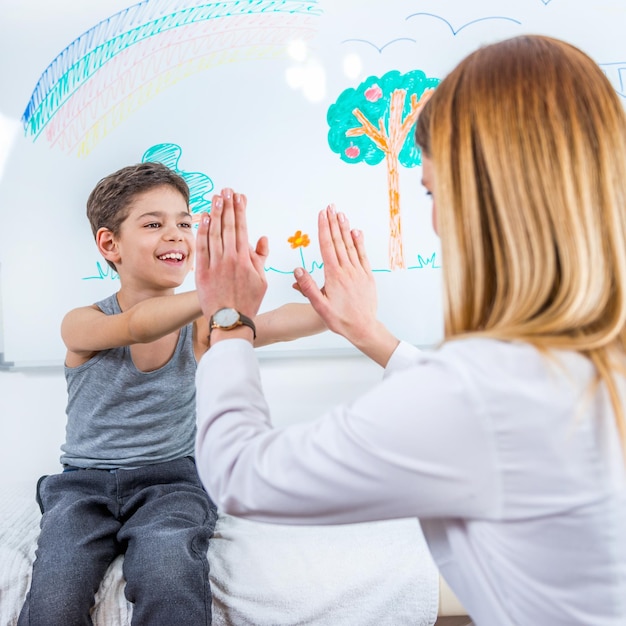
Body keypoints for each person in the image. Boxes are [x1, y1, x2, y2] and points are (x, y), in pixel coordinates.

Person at [192, 35, 626, 626]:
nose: (436, 220)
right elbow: (499, 418)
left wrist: (229, 320)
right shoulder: (574, 368)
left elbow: (243, 475)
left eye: (432, 189)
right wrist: (370, 334)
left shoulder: (484, 392)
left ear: (484, 195)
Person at [18, 162, 325, 626]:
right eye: (154, 224)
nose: (176, 234)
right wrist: (218, 294)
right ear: (110, 244)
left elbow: (278, 324)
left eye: (185, 222)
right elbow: (137, 325)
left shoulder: (207, 323)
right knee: (54, 596)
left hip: (171, 483)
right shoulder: (81, 324)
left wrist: (331, 307)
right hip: (83, 486)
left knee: (169, 570)